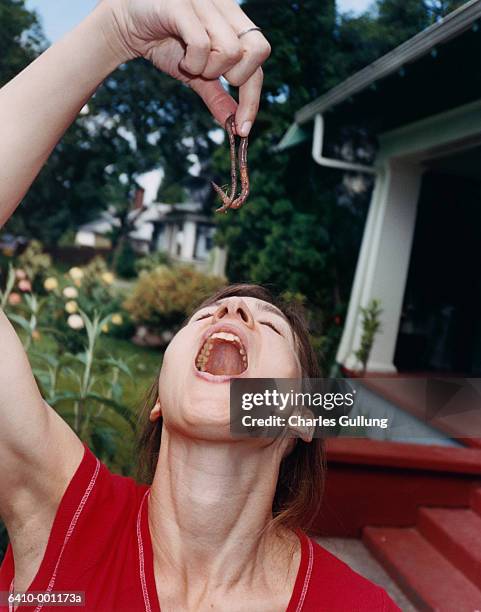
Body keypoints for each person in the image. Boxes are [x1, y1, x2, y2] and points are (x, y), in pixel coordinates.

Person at [0, 1, 400, 610]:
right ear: (158, 397)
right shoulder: (65, 517)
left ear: (300, 415)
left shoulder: (358, 606)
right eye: (204, 317)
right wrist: (113, 31)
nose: (232, 314)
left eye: (266, 324)